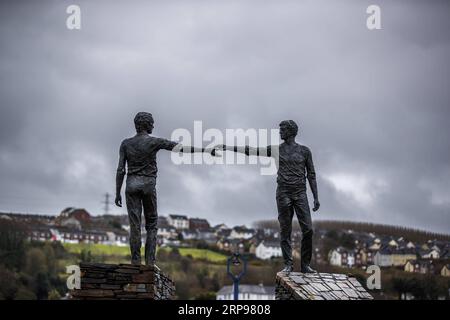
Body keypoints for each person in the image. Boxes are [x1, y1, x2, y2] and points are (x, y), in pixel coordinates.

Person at [217, 120, 320, 273]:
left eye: (282, 129)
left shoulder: (305, 151)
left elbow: (311, 175)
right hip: (283, 193)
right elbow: (252, 151)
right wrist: (228, 148)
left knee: (308, 230)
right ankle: (288, 264)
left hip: (300, 193)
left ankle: (305, 265)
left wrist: (315, 197)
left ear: (291, 131)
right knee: (285, 230)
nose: (280, 132)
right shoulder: (276, 150)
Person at [115, 112, 216, 265]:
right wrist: (206, 150)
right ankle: (149, 262)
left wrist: (117, 192)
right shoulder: (154, 142)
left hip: (131, 185)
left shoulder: (125, 143)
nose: (153, 126)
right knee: (152, 224)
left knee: (134, 225)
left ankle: (135, 261)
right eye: (152, 123)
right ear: (146, 124)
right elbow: (179, 148)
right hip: (148, 185)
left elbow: (120, 170)